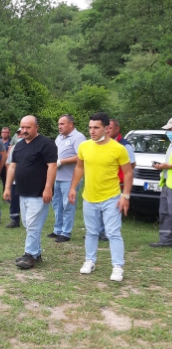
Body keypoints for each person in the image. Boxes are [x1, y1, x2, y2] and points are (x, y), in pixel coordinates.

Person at [69, 112, 132, 282]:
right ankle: (90, 261)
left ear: (106, 128)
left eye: (96, 127)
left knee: (113, 232)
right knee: (91, 231)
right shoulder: (84, 146)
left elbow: (128, 173)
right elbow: (79, 168)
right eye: (90, 127)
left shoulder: (118, 148)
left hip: (111, 197)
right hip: (89, 197)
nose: (92, 131)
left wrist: (125, 196)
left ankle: (117, 266)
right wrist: (73, 188)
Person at [3, 116, 57, 270]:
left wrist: (48, 188)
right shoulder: (19, 146)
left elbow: (52, 167)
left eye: (28, 127)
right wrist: (7, 187)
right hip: (23, 191)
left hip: (39, 192)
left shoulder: (46, 144)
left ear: (36, 127)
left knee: (33, 225)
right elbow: (12, 167)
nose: (24, 130)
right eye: (22, 127)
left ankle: (29, 255)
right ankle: (36, 252)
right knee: (28, 224)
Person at [49, 114, 87, 242]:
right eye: (59, 124)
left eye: (62, 124)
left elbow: (81, 156)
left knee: (67, 205)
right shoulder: (59, 138)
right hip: (57, 177)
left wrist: (62, 161)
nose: (59, 126)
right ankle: (57, 230)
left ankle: (66, 232)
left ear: (70, 124)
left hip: (70, 178)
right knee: (57, 205)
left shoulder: (78, 137)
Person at [152, 117, 172, 248]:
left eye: (170, 129)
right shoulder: (171, 144)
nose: (169, 132)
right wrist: (162, 166)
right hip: (166, 183)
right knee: (164, 212)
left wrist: (167, 166)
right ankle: (165, 240)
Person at [4, 133, 23, 228]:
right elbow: (8, 164)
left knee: (27, 201)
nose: (21, 136)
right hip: (15, 180)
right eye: (19, 134)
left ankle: (28, 221)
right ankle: (14, 220)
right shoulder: (13, 148)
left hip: (28, 181)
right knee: (14, 201)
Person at [0, 127, 11, 192]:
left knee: (6, 180)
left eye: (6, 132)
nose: (4, 134)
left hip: (7, 164)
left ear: (9, 133)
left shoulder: (11, 142)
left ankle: (5, 195)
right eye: (3, 132)